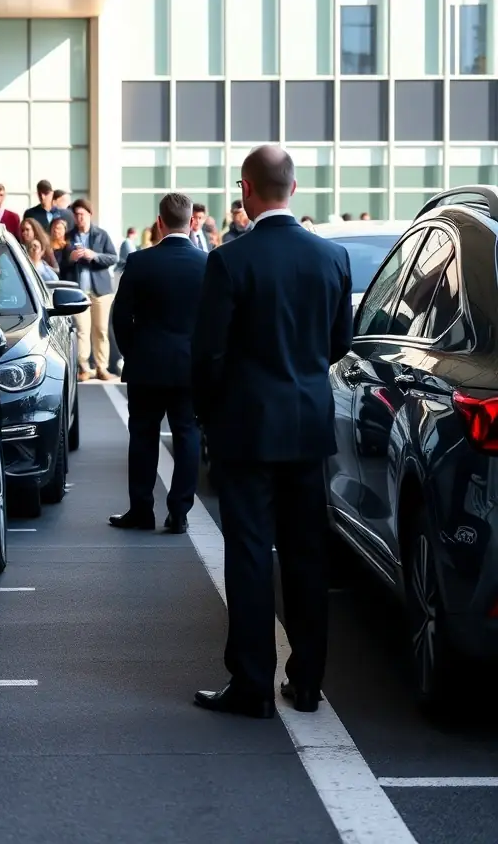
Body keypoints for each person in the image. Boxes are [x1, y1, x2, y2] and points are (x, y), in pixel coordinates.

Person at [191, 145, 353, 720]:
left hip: (246, 427)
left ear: (246, 190)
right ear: (294, 187)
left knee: (252, 554)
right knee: (308, 555)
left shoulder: (230, 261)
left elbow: (208, 354)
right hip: (308, 426)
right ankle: (307, 683)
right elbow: (340, 344)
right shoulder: (331, 257)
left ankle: (253, 683)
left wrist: (209, 416)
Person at [110, 193, 208, 535]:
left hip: (147, 364)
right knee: (187, 434)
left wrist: (132, 353)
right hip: (190, 367)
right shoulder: (207, 264)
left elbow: (120, 316)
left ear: (160, 222)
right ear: (191, 221)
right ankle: (179, 512)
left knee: (143, 436)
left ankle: (141, 510)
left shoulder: (139, 262)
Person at [60, 199, 118, 381]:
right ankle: (83, 367)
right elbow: (61, 265)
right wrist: (71, 258)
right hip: (79, 292)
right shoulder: (69, 237)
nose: (79, 218)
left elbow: (113, 258)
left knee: (100, 329)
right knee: (81, 329)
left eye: (82, 215)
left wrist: (94, 256)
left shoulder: (101, 234)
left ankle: (102, 367)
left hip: (100, 290)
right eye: (76, 215)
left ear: (89, 215)